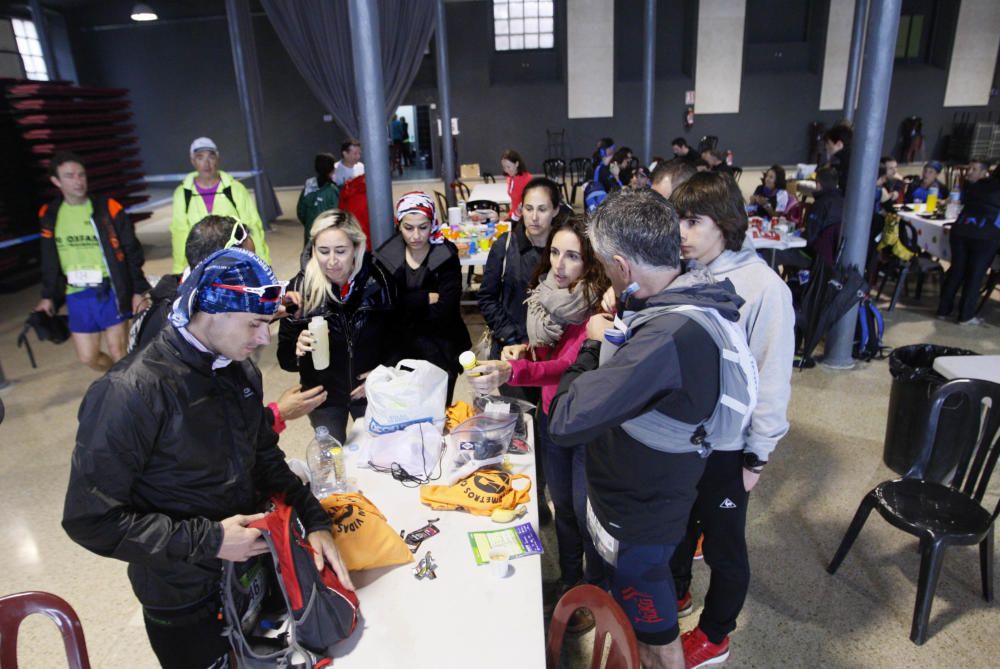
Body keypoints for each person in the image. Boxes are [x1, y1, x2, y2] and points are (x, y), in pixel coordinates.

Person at [62, 248, 352, 669]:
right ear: (211, 313)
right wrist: (211, 540)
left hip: (247, 572)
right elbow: (90, 519)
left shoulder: (237, 371)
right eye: (254, 323)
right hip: (182, 599)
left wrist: (316, 519)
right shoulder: (130, 394)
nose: (264, 338)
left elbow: (264, 460)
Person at [548, 188, 747, 669]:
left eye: (603, 263)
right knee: (634, 623)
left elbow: (565, 420)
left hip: (643, 521)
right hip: (639, 499)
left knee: (657, 641)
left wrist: (594, 346)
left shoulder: (667, 338)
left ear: (623, 265)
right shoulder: (681, 294)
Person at [669, 172, 794, 668]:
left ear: (723, 223)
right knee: (678, 525)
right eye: (678, 218)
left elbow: (772, 382)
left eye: (692, 220)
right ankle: (678, 592)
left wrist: (756, 457)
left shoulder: (765, 289)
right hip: (685, 436)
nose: (681, 230)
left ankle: (716, 633)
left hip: (729, 444)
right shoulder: (689, 275)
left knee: (724, 545)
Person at [468, 216, 610, 633]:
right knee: (562, 507)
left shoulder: (598, 307)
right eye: (555, 252)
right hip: (552, 416)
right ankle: (571, 583)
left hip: (584, 422)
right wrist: (521, 351)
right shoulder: (547, 295)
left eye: (572, 256)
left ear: (592, 263)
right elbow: (544, 352)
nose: (560, 264)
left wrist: (512, 373)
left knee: (587, 516)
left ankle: (597, 594)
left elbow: (567, 366)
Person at [130, 215, 327, 430]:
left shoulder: (195, 301)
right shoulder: (169, 337)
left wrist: (263, 314)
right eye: (246, 264)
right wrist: (276, 414)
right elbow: (202, 430)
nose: (255, 272)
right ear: (217, 266)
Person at [478, 176, 566, 524]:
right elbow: (486, 296)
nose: (534, 216)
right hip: (512, 356)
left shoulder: (563, 249)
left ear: (555, 210)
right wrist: (513, 337)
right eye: (528, 208)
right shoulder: (506, 245)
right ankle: (517, 494)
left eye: (542, 209)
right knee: (514, 431)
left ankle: (542, 495)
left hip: (552, 359)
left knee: (547, 434)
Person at [278, 209, 395, 443]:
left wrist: (383, 371)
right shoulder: (300, 287)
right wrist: (296, 345)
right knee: (332, 458)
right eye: (323, 251)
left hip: (371, 390)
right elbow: (287, 361)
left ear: (356, 247)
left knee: (381, 453)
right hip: (324, 396)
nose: (331, 261)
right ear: (313, 249)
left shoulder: (378, 279)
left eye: (341, 251)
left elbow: (400, 338)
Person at [35, 152, 150, 372]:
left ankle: (125, 396)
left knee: (119, 352)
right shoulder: (50, 215)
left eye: (81, 175)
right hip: (76, 294)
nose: (78, 181)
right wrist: (48, 296)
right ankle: (116, 381)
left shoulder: (108, 208)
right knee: (88, 357)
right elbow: (49, 259)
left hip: (110, 290)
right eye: (70, 176)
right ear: (56, 181)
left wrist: (138, 290)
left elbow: (131, 251)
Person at [374, 192, 470, 401]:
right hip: (398, 350)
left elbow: (447, 309)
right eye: (408, 228)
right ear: (398, 225)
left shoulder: (446, 254)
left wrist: (404, 303)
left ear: (433, 223)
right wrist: (424, 298)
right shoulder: (385, 256)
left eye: (423, 227)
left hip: (441, 347)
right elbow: (384, 307)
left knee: (438, 412)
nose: (416, 235)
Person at [170, 137, 269, 274]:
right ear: (193, 161)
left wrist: (262, 263)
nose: (206, 163)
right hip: (201, 267)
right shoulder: (182, 194)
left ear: (217, 159)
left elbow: (252, 227)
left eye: (211, 156)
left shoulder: (235, 189)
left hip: (234, 263)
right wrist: (179, 271)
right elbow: (180, 234)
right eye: (200, 157)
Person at [936, 158, 999, 326]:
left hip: (961, 230)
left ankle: (943, 310)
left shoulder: (979, 184)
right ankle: (965, 316)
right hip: (985, 235)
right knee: (975, 275)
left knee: (957, 270)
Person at [297, 153, 340, 247]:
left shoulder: (308, 186)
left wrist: (310, 223)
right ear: (332, 169)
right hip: (329, 236)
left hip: (310, 233)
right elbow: (337, 214)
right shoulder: (332, 190)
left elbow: (301, 212)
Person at [805, 167, 844, 267]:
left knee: (772, 253)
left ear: (818, 184)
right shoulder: (844, 201)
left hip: (815, 255)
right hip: (835, 257)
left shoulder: (820, 204)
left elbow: (810, 235)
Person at [501, 149, 533, 223]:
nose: (506, 170)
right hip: (515, 215)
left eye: (508, 167)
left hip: (525, 218)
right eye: (504, 167)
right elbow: (515, 202)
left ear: (517, 164)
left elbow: (528, 204)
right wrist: (509, 214)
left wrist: (513, 217)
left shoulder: (528, 179)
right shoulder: (510, 177)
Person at [823, 124, 853, 192]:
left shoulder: (837, 160)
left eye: (828, 143)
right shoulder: (854, 157)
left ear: (839, 144)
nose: (826, 147)